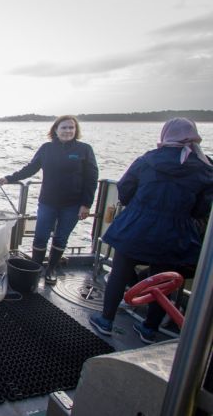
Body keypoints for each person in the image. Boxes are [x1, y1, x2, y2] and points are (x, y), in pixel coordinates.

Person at [90, 117, 213, 344]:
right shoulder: (205, 167)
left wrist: (140, 207)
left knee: (119, 273)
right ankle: (149, 329)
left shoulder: (148, 160)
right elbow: (202, 208)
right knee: (161, 282)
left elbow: (125, 190)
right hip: (174, 234)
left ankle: (105, 320)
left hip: (136, 227)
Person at [0, 115, 98, 284]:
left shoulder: (85, 149)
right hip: (48, 202)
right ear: (55, 130)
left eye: (71, 128)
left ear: (76, 130)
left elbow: (92, 178)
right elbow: (31, 168)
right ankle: (36, 269)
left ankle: (51, 269)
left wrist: (86, 205)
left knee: (61, 238)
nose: (67, 131)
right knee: (40, 236)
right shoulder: (46, 148)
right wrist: (10, 178)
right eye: (64, 127)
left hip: (73, 205)